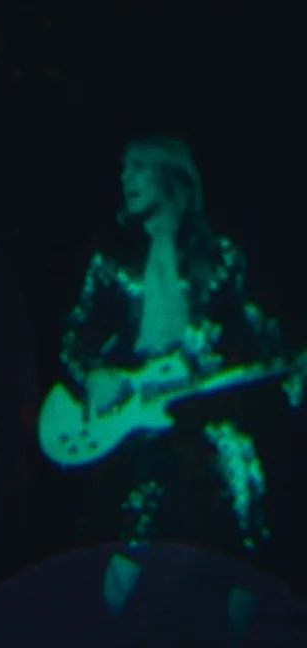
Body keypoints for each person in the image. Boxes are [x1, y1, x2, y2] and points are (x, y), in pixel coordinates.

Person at [58, 136, 303, 645]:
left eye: (138, 168)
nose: (125, 178)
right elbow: (75, 342)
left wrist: (291, 365)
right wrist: (96, 376)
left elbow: (260, 335)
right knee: (130, 546)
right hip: (140, 434)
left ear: (171, 179)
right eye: (124, 168)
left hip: (211, 424)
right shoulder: (111, 261)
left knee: (243, 539)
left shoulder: (220, 258)